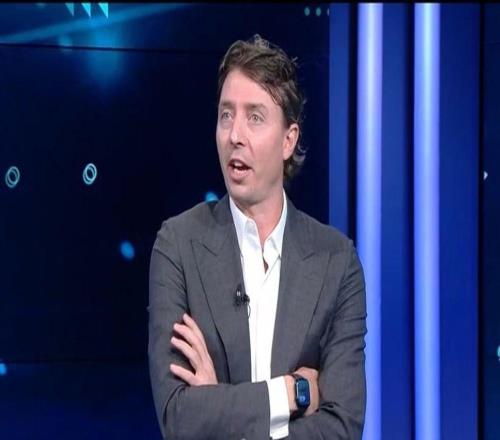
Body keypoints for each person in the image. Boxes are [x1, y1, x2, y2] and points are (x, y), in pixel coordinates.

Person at [148, 34, 367, 440]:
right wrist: (291, 392)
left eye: (255, 117)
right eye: (226, 115)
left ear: (288, 140)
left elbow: (342, 427)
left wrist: (219, 404)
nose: (235, 135)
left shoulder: (336, 261)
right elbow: (179, 416)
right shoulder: (178, 245)